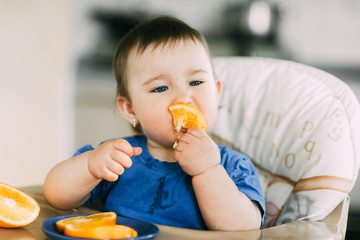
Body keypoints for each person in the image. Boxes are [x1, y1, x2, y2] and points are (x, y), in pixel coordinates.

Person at [43, 16, 265, 231]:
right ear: (130, 110)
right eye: (160, 88)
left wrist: (208, 170)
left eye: (196, 82)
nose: (182, 98)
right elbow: (54, 195)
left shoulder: (231, 165)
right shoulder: (120, 158)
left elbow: (245, 228)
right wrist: (90, 166)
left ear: (216, 94)